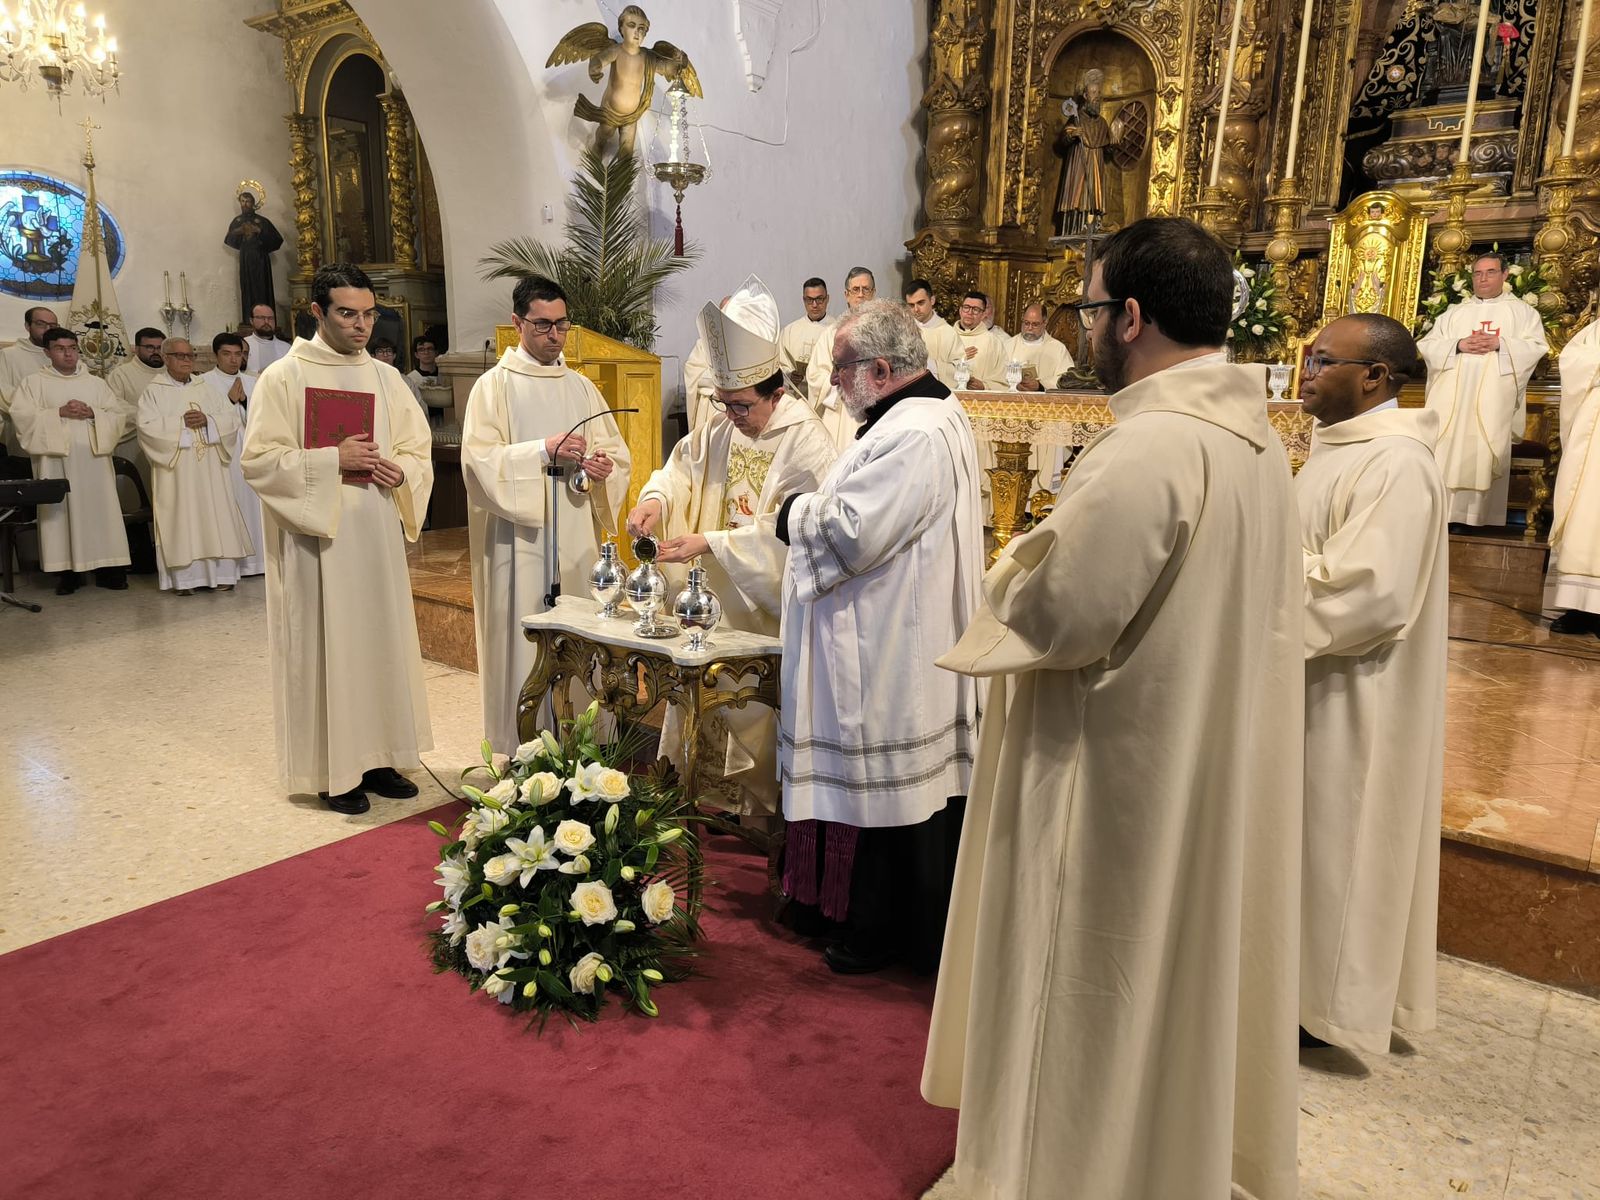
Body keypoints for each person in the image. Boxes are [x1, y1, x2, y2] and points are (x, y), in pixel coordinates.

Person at [922, 217, 1301, 1200]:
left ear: (1128, 316)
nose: (1086, 328)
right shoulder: (1255, 440)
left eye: (1091, 307)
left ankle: (1051, 1178)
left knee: (1083, 985)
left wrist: (1007, 562)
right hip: (1183, 756)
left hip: (1109, 783)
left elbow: (1060, 610)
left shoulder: (1148, 449)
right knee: (1165, 985)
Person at [777, 298, 984, 975]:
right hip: (901, 627)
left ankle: (881, 925)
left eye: (841, 368)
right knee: (905, 785)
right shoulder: (925, 413)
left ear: (883, 368)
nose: (833, 381)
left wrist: (792, 513)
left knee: (887, 782)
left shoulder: (914, 434)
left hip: (892, 644)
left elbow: (853, 532)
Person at [626, 275, 837, 818]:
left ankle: (758, 810)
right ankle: (697, 790)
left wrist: (712, 542)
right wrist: (654, 499)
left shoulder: (806, 439)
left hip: (762, 606)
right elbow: (680, 469)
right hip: (712, 602)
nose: (730, 416)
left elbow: (797, 531)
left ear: (776, 391)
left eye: (741, 405)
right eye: (723, 403)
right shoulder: (723, 427)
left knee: (753, 712)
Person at [1295, 314, 1448, 1055]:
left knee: (1336, 841)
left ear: (1376, 377)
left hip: (1351, 690)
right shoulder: (1338, 447)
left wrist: (1249, 577)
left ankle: (1324, 1010)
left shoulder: (1397, 464)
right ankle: (1287, 988)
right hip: (1307, 680)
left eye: (1323, 360)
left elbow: (1369, 593)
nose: (1307, 371)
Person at [241, 262, 434, 814]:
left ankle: (377, 758)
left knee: (377, 642)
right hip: (317, 540)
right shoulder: (284, 376)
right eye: (347, 313)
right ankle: (334, 772)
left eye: (369, 314)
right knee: (328, 649)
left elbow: (415, 448)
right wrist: (332, 460)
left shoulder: (385, 377)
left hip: (374, 531)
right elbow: (259, 462)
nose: (361, 325)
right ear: (316, 312)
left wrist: (402, 472)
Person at [461, 275, 630, 756]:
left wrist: (602, 467)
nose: (554, 336)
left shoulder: (580, 388)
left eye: (562, 325)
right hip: (520, 540)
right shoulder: (493, 387)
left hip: (575, 532)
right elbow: (478, 461)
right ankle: (525, 750)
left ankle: (586, 748)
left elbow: (614, 452)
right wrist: (541, 449)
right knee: (525, 636)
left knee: (580, 634)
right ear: (517, 324)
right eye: (542, 325)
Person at [1418, 252, 1548, 527]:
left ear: (1504, 276)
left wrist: (1502, 344)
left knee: (1483, 449)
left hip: (1493, 398)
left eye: (1490, 272)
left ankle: (1477, 517)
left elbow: (1536, 347)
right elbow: (1428, 345)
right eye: (1478, 273)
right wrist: (1457, 345)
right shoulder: (1454, 313)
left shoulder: (1523, 313)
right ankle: (1442, 514)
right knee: (1447, 449)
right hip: (1452, 398)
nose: (1483, 278)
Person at [8, 328, 132, 594]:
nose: (68, 354)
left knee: (101, 512)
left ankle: (108, 569)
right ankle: (67, 573)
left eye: (73, 348)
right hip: (57, 462)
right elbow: (22, 418)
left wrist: (93, 413)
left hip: (94, 463)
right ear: (47, 352)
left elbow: (118, 414)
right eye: (60, 349)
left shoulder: (96, 384)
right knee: (60, 515)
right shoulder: (34, 383)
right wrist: (58, 413)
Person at [136, 338, 254, 595]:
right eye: (179, 356)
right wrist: (181, 425)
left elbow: (230, 420)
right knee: (182, 519)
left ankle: (222, 574)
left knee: (215, 516)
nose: (186, 360)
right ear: (166, 358)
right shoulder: (154, 391)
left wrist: (209, 420)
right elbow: (146, 428)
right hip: (176, 470)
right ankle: (185, 580)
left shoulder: (206, 389)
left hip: (210, 468)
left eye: (189, 355)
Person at [1548, 317, 1600, 633]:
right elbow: (1571, 359)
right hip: (1592, 430)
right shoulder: (1595, 329)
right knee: (1584, 507)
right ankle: (1582, 606)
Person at [200, 332, 264, 576]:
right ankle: (233, 566)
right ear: (216, 355)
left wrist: (246, 402)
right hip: (223, 454)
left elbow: (265, 418)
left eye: (239, 354)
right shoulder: (203, 383)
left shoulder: (253, 382)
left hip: (251, 450)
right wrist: (228, 402)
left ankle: (258, 561)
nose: (233, 360)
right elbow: (203, 418)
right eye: (227, 354)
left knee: (255, 506)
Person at [805, 267, 877, 450]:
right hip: (841, 412)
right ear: (846, 295)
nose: (860, 295)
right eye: (855, 289)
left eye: (866, 289)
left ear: (874, 293)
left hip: (876, 411)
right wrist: (835, 381)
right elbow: (815, 376)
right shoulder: (831, 334)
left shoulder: (885, 332)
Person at [106, 325, 167, 498]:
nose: (155, 352)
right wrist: (148, 417)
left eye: (159, 348)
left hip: (168, 443)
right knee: (138, 495)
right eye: (149, 347)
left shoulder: (171, 373)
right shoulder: (121, 374)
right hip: (134, 442)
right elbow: (114, 404)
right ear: (137, 348)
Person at [0, 306, 56, 455]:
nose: (47, 329)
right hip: (23, 432)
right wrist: (45, 412)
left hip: (59, 431)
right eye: (41, 324)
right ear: (27, 326)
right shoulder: (8, 355)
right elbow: (4, 394)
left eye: (52, 326)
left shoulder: (61, 356)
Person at [223, 190, 284, 320]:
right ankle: (248, 319)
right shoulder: (237, 221)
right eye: (243, 201)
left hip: (260, 258)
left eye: (248, 201)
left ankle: (265, 318)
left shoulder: (262, 221)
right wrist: (238, 232)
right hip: (245, 259)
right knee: (247, 288)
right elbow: (229, 239)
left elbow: (277, 240)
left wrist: (259, 231)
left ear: (253, 203)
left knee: (262, 288)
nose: (245, 204)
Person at [903, 278, 964, 388]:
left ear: (932, 300)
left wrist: (933, 366)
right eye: (911, 305)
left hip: (937, 393)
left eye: (920, 303)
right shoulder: (902, 331)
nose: (916, 309)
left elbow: (961, 370)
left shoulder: (948, 333)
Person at [776, 277, 830, 397]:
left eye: (819, 299)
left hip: (824, 398)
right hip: (796, 398)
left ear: (827, 299)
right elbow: (779, 365)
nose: (814, 305)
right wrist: (790, 377)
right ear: (803, 300)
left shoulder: (836, 330)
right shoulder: (789, 331)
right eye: (809, 300)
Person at [952, 290, 1007, 389]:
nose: (970, 312)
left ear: (983, 314)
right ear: (960, 310)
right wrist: (957, 358)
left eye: (976, 309)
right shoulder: (947, 337)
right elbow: (935, 369)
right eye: (966, 308)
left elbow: (1003, 378)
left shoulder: (993, 342)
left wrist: (984, 386)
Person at [244, 303, 291, 374]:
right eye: (261, 318)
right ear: (251, 320)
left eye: (270, 318)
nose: (266, 322)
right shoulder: (243, 345)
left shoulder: (286, 348)